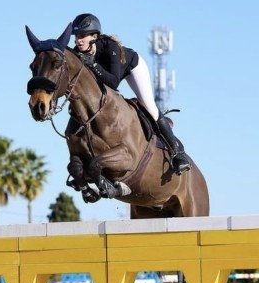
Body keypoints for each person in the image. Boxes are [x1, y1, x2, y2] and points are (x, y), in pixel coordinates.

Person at [71, 13, 191, 175]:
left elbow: (113, 82)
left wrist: (93, 65)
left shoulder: (109, 48)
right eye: (77, 36)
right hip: (109, 74)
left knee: (149, 106)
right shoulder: (78, 51)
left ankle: (178, 153)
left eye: (83, 36)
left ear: (94, 36)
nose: (78, 40)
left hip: (132, 68)